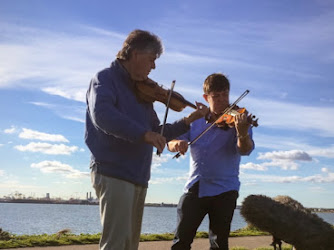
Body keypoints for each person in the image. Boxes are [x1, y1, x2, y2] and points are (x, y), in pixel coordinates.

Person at [85, 29, 208, 250]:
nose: (153, 67)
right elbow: (102, 115)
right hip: (114, 170)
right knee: (115, 244)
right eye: (152, 60)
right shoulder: (105, 78)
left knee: (130, 245)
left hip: (138, 175)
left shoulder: (141, 91)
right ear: (135, 53)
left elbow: (157, 131)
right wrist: (143, 134)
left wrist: (188, 120)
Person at [167, 73, 255, 250]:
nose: (223, 100)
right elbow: (170, 141)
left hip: (225, 190)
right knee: (181, 241)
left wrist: (242, 132)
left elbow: (245, 150)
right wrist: (177, 144)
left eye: (225, 95)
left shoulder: (238, 119)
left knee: (219, 244)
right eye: (216, 96)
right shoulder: (196, 119)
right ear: (206, 98)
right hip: (196, 186)